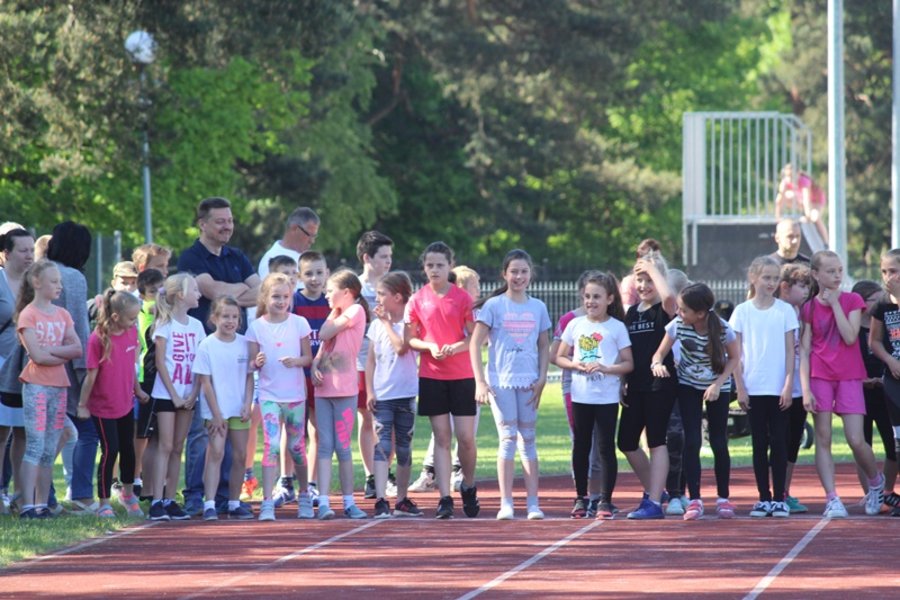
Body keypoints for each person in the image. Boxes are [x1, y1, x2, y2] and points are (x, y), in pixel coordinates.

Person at [177, 197, 260, 515]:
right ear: (203, 223)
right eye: (220, 221)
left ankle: (228, 496)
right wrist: (240, 291)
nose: (228, 226)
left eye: (230, 220)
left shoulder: (238, 256)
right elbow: (210, 293)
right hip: (204, 349)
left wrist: (232, 290)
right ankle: (197, 495)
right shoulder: (191, 257)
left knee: (234, 433)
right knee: (204, 430)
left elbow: (261, 292)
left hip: (235, 353)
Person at [799, 250, 884, 518]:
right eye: (830, 271)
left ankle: (875, 483)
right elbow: (804, 349)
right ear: (816, 274)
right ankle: (832, 498)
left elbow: (849, 337)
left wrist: (835, 304)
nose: (837, 275)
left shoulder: (852, 300)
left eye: (839, 270)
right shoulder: (809, 307)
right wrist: (805, 388)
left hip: (849, 375)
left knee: (855, 439)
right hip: (820, 376)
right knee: (823, 438)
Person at [470, 250, 550, 520]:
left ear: (531, 275)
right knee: (507, 439)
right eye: (513, 271)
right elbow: (475, 343)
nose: (519, 276)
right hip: (500, 382)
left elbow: (543, 345)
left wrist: (541, 378)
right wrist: (480, 382)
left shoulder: (538, 307)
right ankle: (506, 503)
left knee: (528, 439)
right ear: (504, 274)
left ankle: (533, 503)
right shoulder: (493, 306)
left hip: (529, 381)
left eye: (524, 271)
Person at [651, 282, 741, 521]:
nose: (679, 313)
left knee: (719, 441)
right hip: (688, 385)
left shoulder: (722, 329)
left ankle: (723, 498)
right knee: (691, 441)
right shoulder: (677, 325)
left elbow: (734, 358)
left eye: (683, 310)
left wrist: (718, 384)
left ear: (700, 313)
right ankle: (695, 499)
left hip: (717, 387)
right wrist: (657, 364)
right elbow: (659, 353)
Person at [405, 242, 480, 519]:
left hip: (462, 375)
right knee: (442, 438)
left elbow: (474, 337)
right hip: (432, 375)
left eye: (440, 265)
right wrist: (429, 347)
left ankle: (469, 486)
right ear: (424, 267)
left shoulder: (462, 299)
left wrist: (455, 347)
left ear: (450, 266)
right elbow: (409, 338)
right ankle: (445, 497)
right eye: (430, 265)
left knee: (466, 438)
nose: (434, 270)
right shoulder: (417, 299)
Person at [556, 271, 632, 519]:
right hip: (581, 396)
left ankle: (605, 501)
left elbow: (629, 363)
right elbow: (559, 356)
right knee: (581, 446)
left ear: (610, 299)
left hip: (606, 398)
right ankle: (581, 498)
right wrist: (575, 365)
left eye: (597, 297)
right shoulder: (575, 325)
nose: (591, 301)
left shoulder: (617, 327)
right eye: (587, 296)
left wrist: (607, 368)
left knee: (605, 448)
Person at [730, 256, 798, 518]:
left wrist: (789, 383)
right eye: (766, 277)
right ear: (753, 278)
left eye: (775, 278)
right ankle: (763, 498)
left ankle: (779, 497)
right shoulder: (742, 312)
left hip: (778, 388)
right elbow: (735, 354)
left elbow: (790, 352)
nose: (771, 282)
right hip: (753, 388)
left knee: (779, 442)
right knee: (759, 443)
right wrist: (740, 387)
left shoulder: (784, 311)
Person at [16, 260, 83, 518]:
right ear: (37, 283)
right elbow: (36, 356)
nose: (59, 286)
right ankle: (27, 505)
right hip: (36, 385)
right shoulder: (28, 314)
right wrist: (57, 354)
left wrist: (51, 352)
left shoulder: (63, 314)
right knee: (35, 444)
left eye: (59, 282)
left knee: (49, 446)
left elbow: (76, 348)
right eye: (54, 281)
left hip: (59, 386)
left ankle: (42, 503)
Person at [247, 273, 313, 521]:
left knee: (297, 447)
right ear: (265, 297)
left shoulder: (299, 323)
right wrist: (257, 361)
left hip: (295, 396)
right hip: (269, 397)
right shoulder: (257, 327)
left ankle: (304, 494)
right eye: (276, 296)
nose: (281, 301)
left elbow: (308, 358)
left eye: (286, 297)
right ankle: (267, 501)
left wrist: (296, 361)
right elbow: (252, 364)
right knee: (272, 446)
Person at [76, 289, 147, 518]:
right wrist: (82, 404)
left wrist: (138, 390)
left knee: (129, 450)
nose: (134, 322)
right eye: (131, 318)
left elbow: (130, 368)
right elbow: (91, 375)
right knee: (110, 450)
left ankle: (127, 493)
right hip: (103, 407)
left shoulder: (132, 332)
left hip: (125, 402)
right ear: (115, 316)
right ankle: (104, 502)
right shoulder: (99, 339)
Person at [618, 253, 677, 520]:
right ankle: (656, 490)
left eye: (649, 280)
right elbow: (625, 351)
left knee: (656, 440)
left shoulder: (664, 309)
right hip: (635, 385)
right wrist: (622, 382)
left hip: (660, 384)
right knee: (626, 441)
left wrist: (654, 270)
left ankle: (652, 502)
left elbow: (669, 299)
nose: (644, 286)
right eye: (639, 280)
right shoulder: (631, 312)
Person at [147, 273, 204, 521]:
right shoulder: (164, 325)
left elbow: (201, 363)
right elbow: (160, 362)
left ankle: (170, 499)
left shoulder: (197, 326)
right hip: (166, 393)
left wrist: (192, 393)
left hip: (188, 395)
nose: (199, 294)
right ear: (181, 295)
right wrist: (174, 395)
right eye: (195, 290)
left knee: (178, 447)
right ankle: (157, 500)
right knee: (166, 445)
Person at [365, 271, 423, 518]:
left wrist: (388, 323)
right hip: (383, 396)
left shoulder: (410, 324)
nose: (377, 299)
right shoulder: (376, 326)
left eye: (381, 294)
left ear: (397, 297)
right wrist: (369, 390)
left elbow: (401, 348)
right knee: (383, 446)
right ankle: (380, 498)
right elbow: (370, 361)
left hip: (406, 395)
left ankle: (401, 499)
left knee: (404, 448)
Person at [312, 270, 368, 520]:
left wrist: (332, 317)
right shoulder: (334, 313)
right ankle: (323, 501)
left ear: (347, 292)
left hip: (344, 389)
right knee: (325, 445)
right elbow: (323, 346)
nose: (326, 295)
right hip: (324, 390)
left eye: (330, 290)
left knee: (343, 447)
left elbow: (324, 333)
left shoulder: (355, 311)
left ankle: (348, 501)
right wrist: (314, 366)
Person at [46, 222, 93, 515]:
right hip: (66, 361)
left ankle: (41, 495)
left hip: (36, 359)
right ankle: (82, 494)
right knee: (86, 429)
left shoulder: (39, 271)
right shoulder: (72, 277)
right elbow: (78, 323)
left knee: (39, 432)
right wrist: (85, 367)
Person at [194, 296, 254, 521]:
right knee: (216, 452)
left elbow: (249, 377)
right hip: (216, 410)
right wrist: (216, 414)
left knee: (240, 455)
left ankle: (234, 502)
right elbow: (205, 382)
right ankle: (209, 503)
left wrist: (248, 403)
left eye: (235, 317)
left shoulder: (244, 343)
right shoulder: (207, 345)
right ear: (214, 318)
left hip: (239, 409)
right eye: (225, 316)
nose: (230, 321)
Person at [286, 251, 330, 505]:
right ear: (300, 276)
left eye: (319, 272)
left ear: (327, 273)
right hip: (295, 375)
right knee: (294, 432)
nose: (314, 278)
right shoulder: (293, 302)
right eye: (309, 273)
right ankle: (289, 480)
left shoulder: (330, 303)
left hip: (321, 375)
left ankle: (312, 483)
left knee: (319, 432)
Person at [854, 279, 899, 512]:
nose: (881, 300)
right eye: (875, 298)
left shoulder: (886, 323)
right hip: (859, 393)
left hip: (885, 390)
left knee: (893, 445)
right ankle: (870, 493)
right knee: (862, 444)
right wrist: (861, 380)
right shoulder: (852, 329)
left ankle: (887, 491)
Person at [355, 231, 393, 500]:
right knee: (367, 419)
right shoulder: (355, 288)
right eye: (383, 257)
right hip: (359, 362)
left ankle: (386, 472)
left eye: (390, 256)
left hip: (389, 365)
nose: (389, 261)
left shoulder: (394, 287)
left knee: (389, 422)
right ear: (367, 258)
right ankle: (371, 475)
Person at [0, 229, 34, 513]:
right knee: (1, 432)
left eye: (31, 249)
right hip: (1, 364)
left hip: (28, 368)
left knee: (23, 432)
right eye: (22, 250)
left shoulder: (34, 283)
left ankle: (22, 495)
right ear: (6, 253)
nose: (29, 255)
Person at [774, 263, 813, 513]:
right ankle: (772, 491)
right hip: (775, 386)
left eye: (809, 286)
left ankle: (785, 490)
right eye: (803, 286)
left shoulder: (803, 313)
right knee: (775, 441)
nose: (808, 291)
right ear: (785, 287)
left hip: (799, 387)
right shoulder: (774, 312)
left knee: (792, 441)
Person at [867, 249, 900, 515]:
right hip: (894, 381)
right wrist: (890, 361)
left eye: (895, 271)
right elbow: (875, 341)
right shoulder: (880, 304)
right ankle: (889, 493)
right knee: (898, 440)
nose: (889, 277)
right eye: (885, 271)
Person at [134, 268, 165, 500]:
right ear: (143, 294)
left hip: (164, 381)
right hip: (148, 379)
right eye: (153, 291)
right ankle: (143, 487)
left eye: (161, 290)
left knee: (159, 438)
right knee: (145, 436)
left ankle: (157, 486)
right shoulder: (143, 314)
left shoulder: (166, 315)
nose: (158, 295)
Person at [663, 268, 690, 515]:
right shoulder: (663, 320)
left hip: (689, 387)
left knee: (683, 438)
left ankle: (682, 491)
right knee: (670, 438)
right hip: (665, 387)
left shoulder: (696, 320)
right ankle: (672, 491)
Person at [257, 207, 320, 281]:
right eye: (309, 235)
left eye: (314, 236)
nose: (312, 241)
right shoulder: (272, 259)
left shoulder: (308, 257)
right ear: (294, 228)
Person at [774, 163, 828, 242]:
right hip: (801, 199)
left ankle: (826, 241)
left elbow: (807, 200)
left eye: (791, 175)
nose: (789, 179)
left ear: (798, 174)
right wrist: (778, 217)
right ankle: (806, 213)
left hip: (816, 202)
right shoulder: (785, 181)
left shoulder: (804, 181)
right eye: (787, 176)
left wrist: (807, 216)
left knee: (815, 217)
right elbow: (779, 199)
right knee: (786, 196)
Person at [620, 239, 662, 310]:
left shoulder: (662, 280)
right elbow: (626, 310)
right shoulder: (629, 282)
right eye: (644, 256)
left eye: (656, 257)